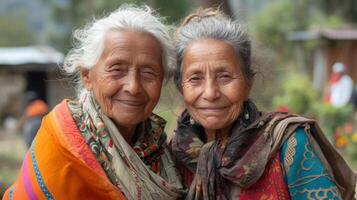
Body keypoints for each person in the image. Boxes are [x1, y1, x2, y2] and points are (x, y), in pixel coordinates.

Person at [170, 8, 356, 200]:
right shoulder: (172, 155)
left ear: (247, 83)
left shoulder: (288, 145)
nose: (210, 93)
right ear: (181, 87)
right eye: (195, 78)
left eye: (225, 76)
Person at [3, 5, 183, 200]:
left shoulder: (162, 148)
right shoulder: (60, 151)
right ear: (87, 76)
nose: (133, 86)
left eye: (149, 72)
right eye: (117, 69)